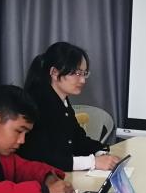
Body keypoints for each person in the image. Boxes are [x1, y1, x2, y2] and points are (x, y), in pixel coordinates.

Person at [18, 41, 120, 173]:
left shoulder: (61, 99)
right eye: (77, 73)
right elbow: (43, 158)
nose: (82, 80)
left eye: (84, 73)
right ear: (54, 72)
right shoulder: (37, 102)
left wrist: (101, 153)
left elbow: (78, 139)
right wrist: (93, 162)